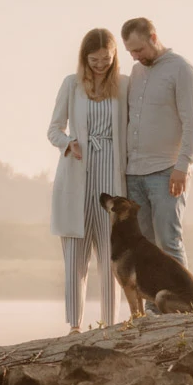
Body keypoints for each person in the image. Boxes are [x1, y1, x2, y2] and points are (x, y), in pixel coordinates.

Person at [46, 28, 129, 332]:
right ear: (84, 58)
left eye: (106, 59)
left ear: (114, 56)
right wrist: (69, 142)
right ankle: (74, 327)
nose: (100, 65)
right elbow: (53, 129)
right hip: (77, 172)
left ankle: (109, 323)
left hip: (111, 174)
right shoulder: (71, 85)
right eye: (94, 59)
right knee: (75, 259)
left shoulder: (124, 85)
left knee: (110, 256)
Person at [119, 16, 193, 265]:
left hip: (166, 172)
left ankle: (184, 303)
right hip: (134, 174)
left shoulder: (182, 70)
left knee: (169, 242)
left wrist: (182, 166)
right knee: (144, 245)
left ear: (153, 38)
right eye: (130, 51)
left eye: (139, 49)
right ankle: (155, 304)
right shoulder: (136, 71)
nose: (134, 56)